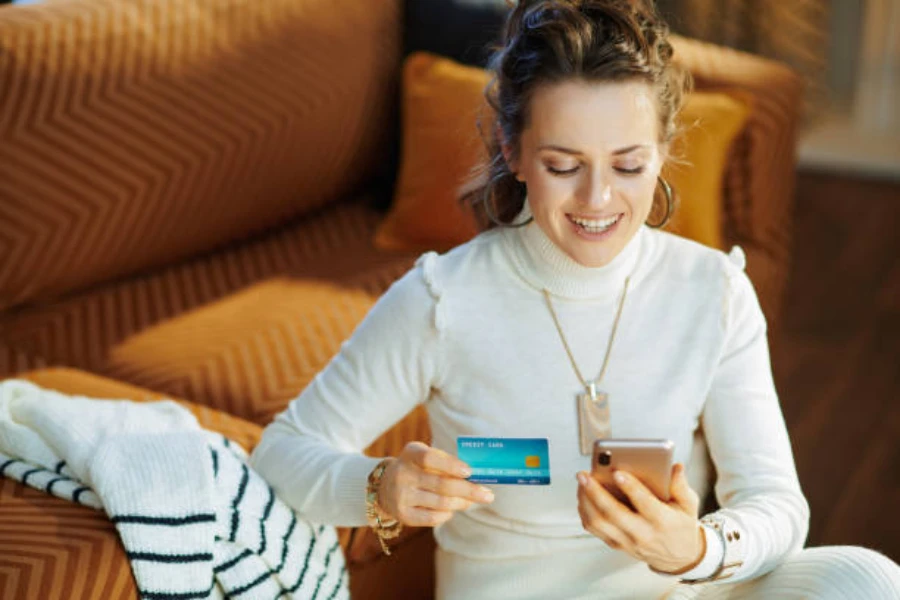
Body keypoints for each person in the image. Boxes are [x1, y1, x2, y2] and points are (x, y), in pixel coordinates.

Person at [250, 1, 900, 598]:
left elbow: (777, 505)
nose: (597, 201)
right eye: (564, 165)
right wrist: (379, 487)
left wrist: (696, 548)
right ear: (515, 152)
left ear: (665, 153)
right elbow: (283, 456)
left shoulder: (713, 292)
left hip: (677, 588)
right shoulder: (443, 301)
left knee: (868, 581)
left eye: (628, 165)